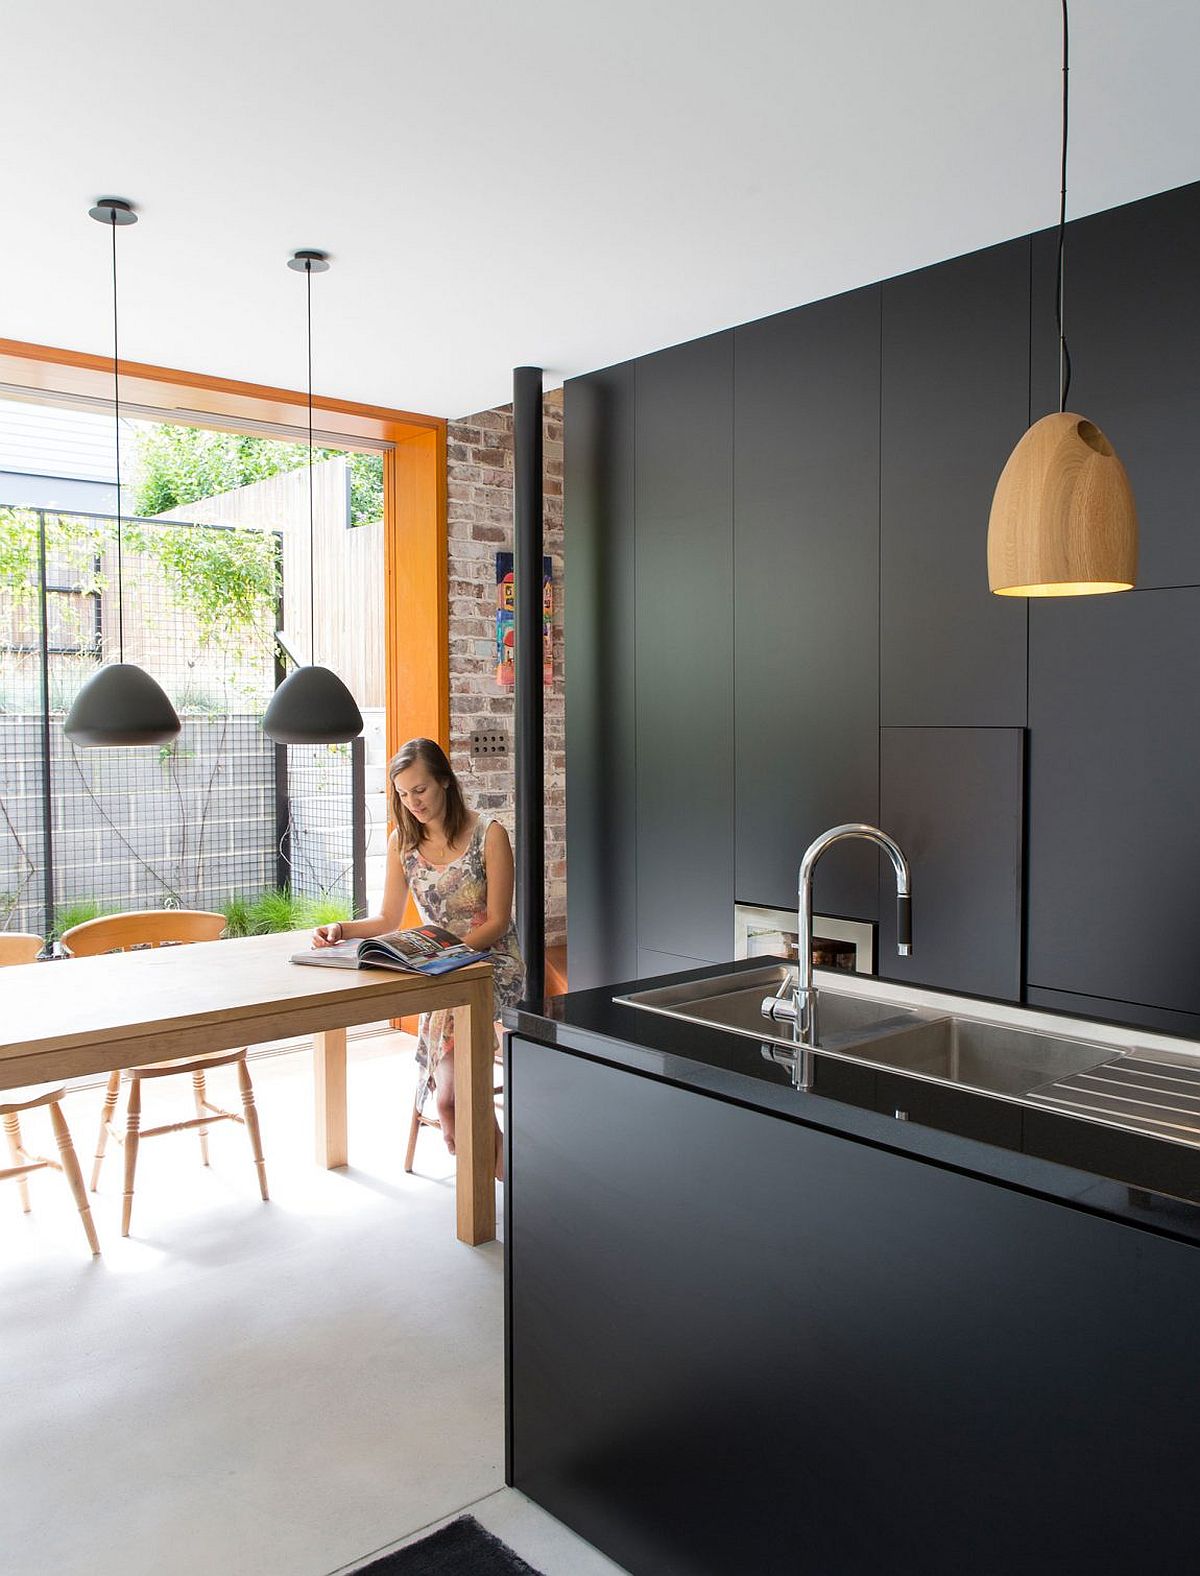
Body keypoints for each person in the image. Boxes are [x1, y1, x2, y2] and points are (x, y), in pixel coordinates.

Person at [311, 737, 524, 1178]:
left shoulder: (490, 834)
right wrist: (341, 931)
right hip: (439, 971)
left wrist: (449, 955)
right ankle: (510, 1181)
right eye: (404, 795)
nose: (413, 803)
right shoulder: (402, 843)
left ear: (444, 781)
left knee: (458, 1102)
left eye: (420, 790)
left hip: (491, 966)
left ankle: (510, 1190)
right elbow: (389, 918)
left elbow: (498, 922)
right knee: (453, 1105)